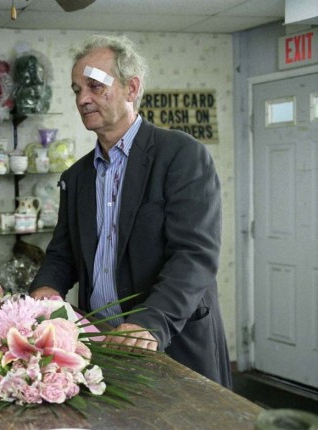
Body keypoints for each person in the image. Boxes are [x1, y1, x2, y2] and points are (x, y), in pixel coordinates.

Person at [29, 34, 232, 388]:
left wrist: (149, 323)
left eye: (95, 86)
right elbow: (63, 253)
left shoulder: (180, 155)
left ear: (131, 88)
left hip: (169, 341)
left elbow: (194, 255)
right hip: (100, 345)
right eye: (77, 89)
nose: (82, 99)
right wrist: (46, 288)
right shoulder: (76, 177)